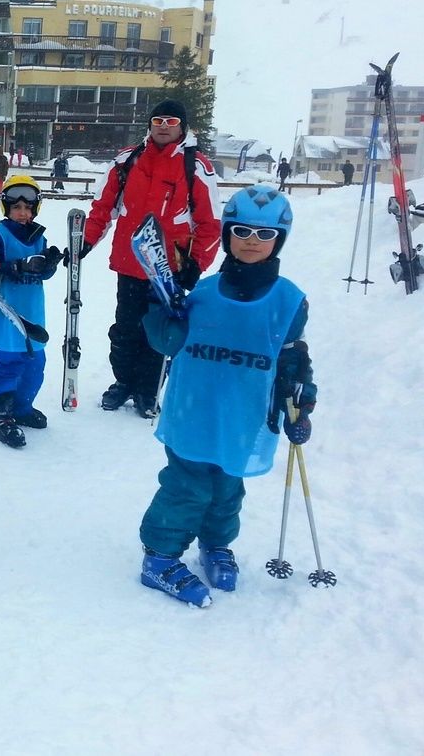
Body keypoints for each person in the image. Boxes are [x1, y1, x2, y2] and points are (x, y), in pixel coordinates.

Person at [136, 184, 316, 607]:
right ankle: (159, 556)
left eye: (265, 235)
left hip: (245, 413)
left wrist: (301, 403)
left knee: (228, 488)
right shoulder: (201, 292)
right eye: (243, 232)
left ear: (280, 240)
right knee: (186, 486)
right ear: (229, 233)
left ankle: (216, 544)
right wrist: (159, 306)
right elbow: (166, 341)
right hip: (194, 408)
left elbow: (294, 358)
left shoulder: (289, 300)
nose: (252, 242)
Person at [83, 99, 221, 418]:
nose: (163, 126)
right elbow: (104, 207)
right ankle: (125, 383)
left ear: (182, 127)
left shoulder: (195, 166)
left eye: (171, 121)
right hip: (130, 264)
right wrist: (85, 242)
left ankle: (148, 390)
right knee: (125, 329)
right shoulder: (128, 160)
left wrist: (196, 264)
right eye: (158, 120)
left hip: (167, 268)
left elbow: (210, 222)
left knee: (158, 333)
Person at [0, 175, 61, 448]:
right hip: (5, 312)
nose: (23, 214)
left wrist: (47, 265)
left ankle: (21, 407)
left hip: (32, 312)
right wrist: (17, 267)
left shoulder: (39, 236)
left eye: (27, 208)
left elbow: (42, 269)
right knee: (9, 363)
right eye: (17, 208)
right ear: (6, 208)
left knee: (36, 363)